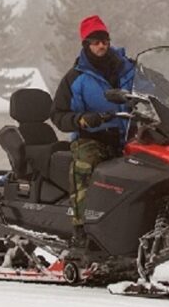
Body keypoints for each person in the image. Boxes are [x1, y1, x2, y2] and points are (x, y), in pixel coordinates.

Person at [50, 15, 135, 251]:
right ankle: (82, 230)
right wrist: (82, 120)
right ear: (86, 44)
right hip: (92, 139)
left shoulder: (127, 69)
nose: (101, 45)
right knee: (85, 168)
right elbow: (58, 114)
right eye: (96, 41)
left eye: (104, 40)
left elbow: (153, 88)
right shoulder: (75, 78)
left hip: (128, 136)